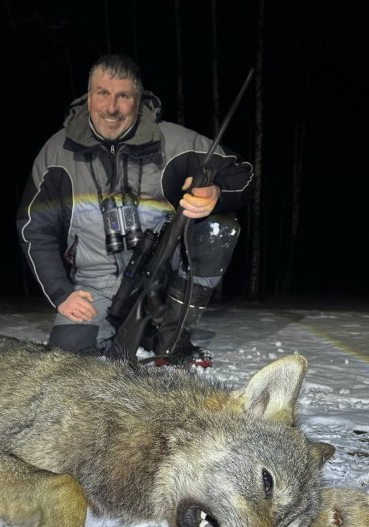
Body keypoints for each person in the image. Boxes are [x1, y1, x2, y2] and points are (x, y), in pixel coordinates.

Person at [17, 53, 254, 366]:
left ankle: (173, 332)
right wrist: (61, 293)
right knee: (66, 360)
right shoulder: (56, 152)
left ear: (138, 99)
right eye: (103, 93)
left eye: (123, 96)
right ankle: (137, 331)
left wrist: (217, 193)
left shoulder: (174, 141)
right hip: (94, 285)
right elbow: (34, 227)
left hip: (161, 277)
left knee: (217, 228)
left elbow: (243, 173)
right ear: (89, 96)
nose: (111, 107)